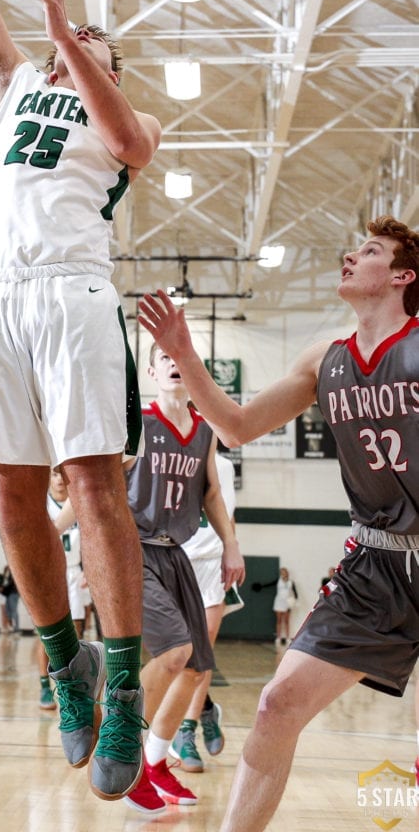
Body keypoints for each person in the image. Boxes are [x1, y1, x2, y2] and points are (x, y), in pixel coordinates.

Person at [0, 0, 161, 801]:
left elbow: (130, 145)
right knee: (5, 487)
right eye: (64, 39)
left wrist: (65, 34)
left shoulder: (119, 108)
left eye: (87, 41)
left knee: (93, 484)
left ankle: (121, 691)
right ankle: (63, 663)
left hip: (70, 290)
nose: (69, 41)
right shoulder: (6, 85)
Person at [137, 215, 419, 832]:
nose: (351, 255)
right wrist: (185, 354)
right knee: (276, 704)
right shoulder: (326, 361)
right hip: (373, 562)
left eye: (369, 251)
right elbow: (236, 427)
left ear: (403, 276)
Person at [122, 344, 245, 814]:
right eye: (165, 358)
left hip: (179, 555)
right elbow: (101, 486)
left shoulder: (204, 432)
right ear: (151, 371)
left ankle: (155, 761)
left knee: (195, 668)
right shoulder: (136, 423)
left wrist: (230, 543)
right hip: (136, 551)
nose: (175, 363)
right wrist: (56, 532)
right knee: (174, 652)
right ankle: (125, 750)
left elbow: (212, 492)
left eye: (182, 357)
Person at [171, 451, 243, 773]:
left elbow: (228, 516)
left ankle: (185, 733)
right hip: (172, 562)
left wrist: (233, 550)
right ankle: (207, 709)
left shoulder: (224, 466)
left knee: (202, 653)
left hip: (211, 564)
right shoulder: (167, 459)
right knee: (176, 657)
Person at [37, 469, 91, 709]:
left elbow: (91, 537)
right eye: (55, 474)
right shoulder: (40, 504)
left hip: (74, 571)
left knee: (77, 630)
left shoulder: (78, 501)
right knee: (47, 635)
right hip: (48, 573)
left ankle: (71, 685)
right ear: (48, 477)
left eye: (62, 474)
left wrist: (89, 569)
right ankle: (43, 687)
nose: (59, 479)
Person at [271, 566, 297, 646]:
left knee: (286, 621)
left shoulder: (291, 582)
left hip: (287, 603)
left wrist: (293, 601)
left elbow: (295, 593)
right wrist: (260, 586)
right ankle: (278, 637)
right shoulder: (278, 581)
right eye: (281, 572)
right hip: (279, 602)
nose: (282, 573)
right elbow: (270, 584)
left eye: (284, 572)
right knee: (279, 620)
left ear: (287, 573)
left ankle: (287, 637)